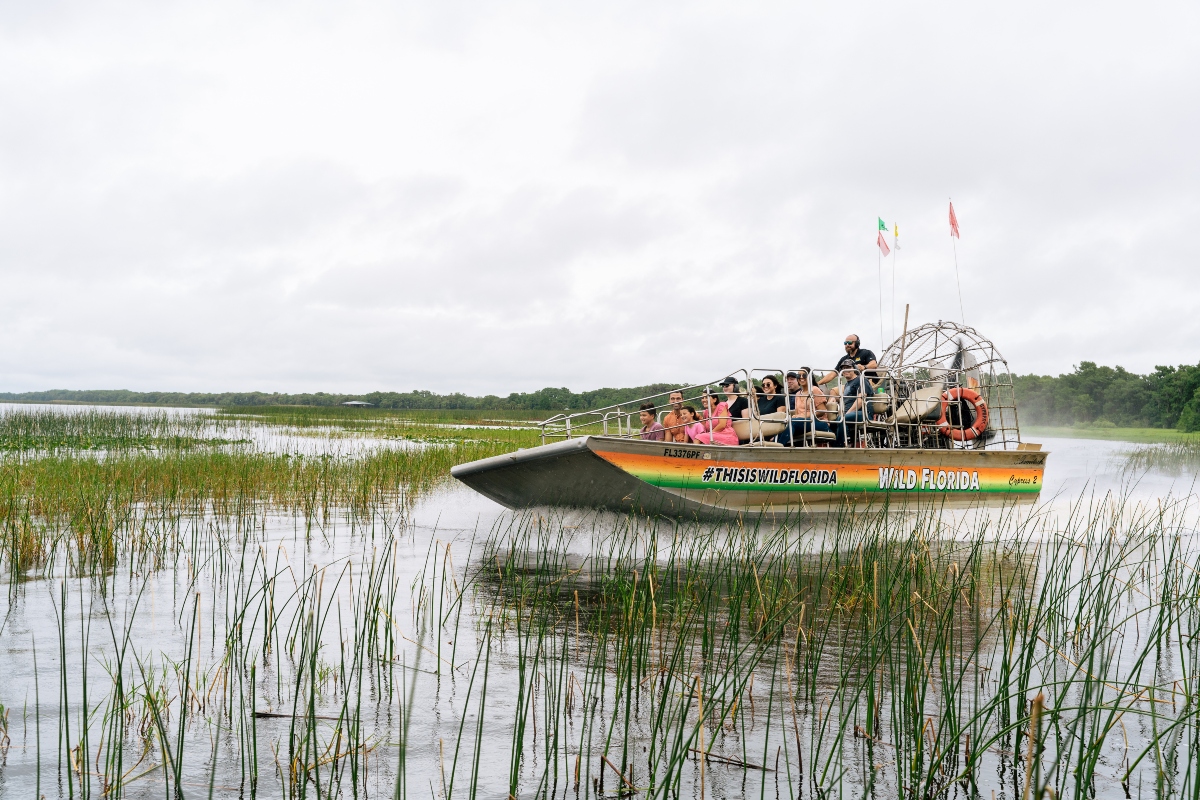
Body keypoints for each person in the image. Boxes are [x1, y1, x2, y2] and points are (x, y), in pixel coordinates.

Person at [777, 369, 831, 446]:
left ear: (810, 377)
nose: (801, 377)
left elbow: (822, 411)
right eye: (799, 375)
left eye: (804, 375)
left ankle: (779, 447)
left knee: (793, 422)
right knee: (783, 424)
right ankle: (775, 445)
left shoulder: (814, 390)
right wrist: (796, 416)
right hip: (802, 422)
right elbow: (797, 413)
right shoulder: (798, 394)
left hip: (819, 422)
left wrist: (804, 416)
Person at [833, 363, 868, 447]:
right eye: (843, 368)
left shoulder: (861, 380)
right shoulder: (847, 384)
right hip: (850, 413)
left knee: (842, 419)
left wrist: (847, 413)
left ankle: (841, 446)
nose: (845, 370)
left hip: (862, 413)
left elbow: (860, 400)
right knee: (833, 422)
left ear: (855, 369)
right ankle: (833, 446)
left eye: (848, 367)